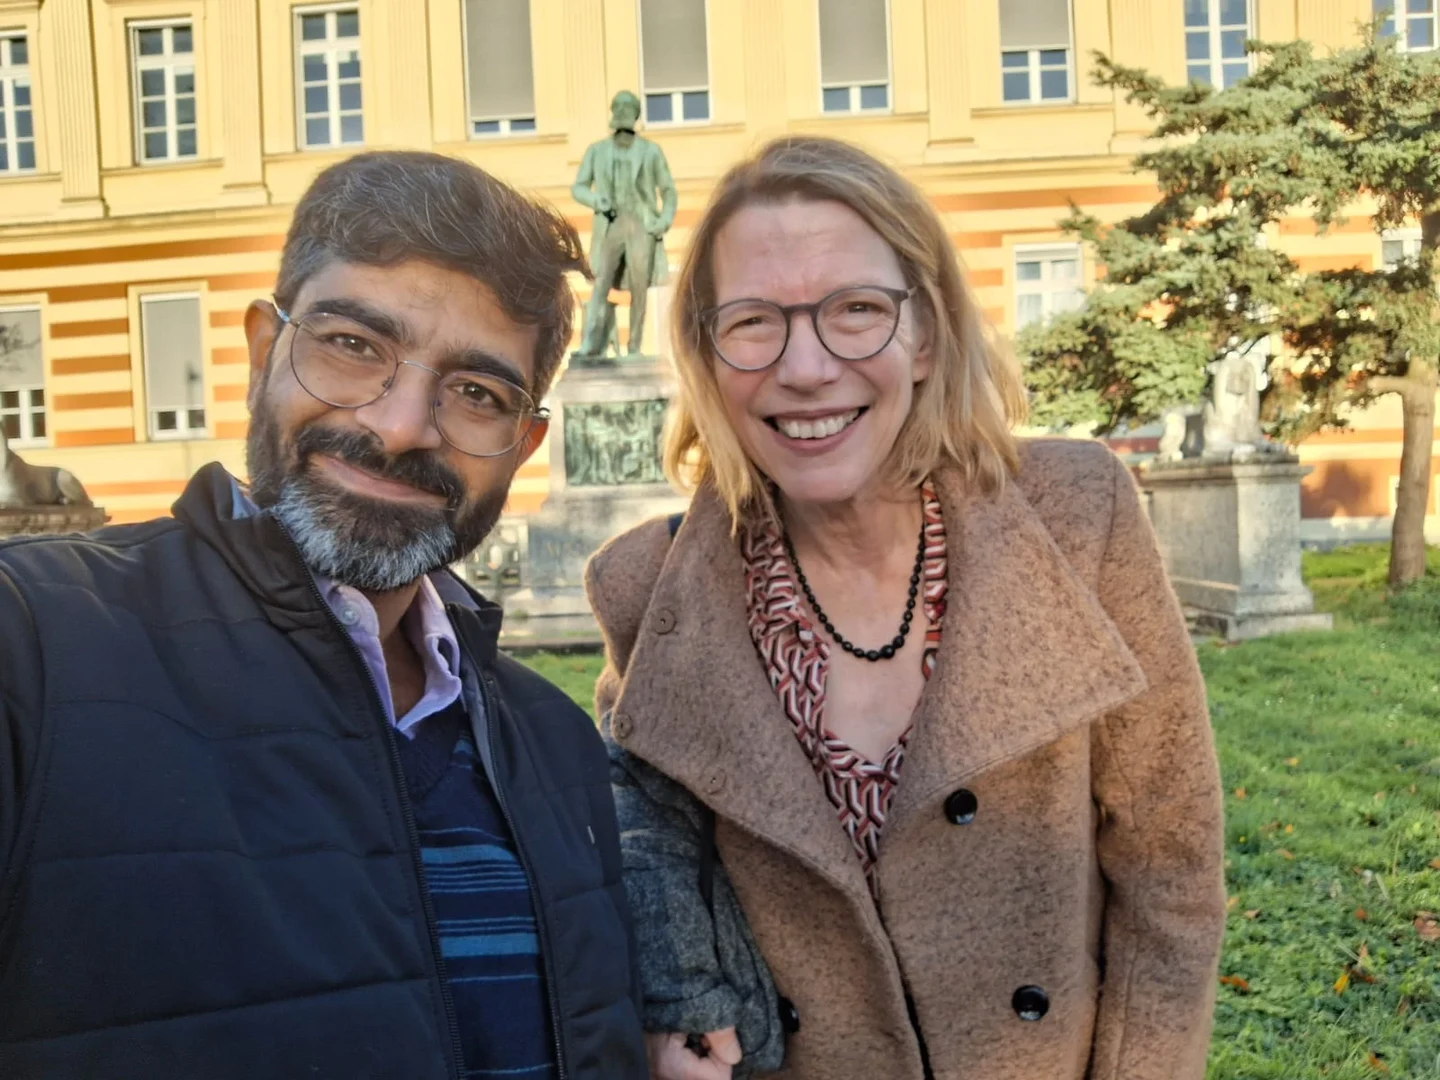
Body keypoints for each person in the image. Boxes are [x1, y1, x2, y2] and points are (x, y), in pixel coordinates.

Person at [586, 136, 1226, 1080]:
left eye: (855, 310)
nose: (804, 367)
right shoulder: (654, 591)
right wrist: (673, 1008)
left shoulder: (1075, 516)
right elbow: (646, 851)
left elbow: (1169, 869)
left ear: (924, 334)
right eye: (754, 322)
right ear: (709, 356)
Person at [0, 152, 647, 1080]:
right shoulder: (33, 646)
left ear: (525, 442)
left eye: (477, 393)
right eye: (353, 345)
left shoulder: (553, 744)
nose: (399, 425)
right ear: (266, 349)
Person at [570, 89, 678, 360]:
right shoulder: (597, 151)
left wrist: (663, 221)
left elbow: (668, 190)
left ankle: (634, 348)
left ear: (635, 115)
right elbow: (578, 188)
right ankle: (591, 342)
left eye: (628, 109)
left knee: (639, 289)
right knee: (601, 282)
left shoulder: (651, 151)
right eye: (618, 108)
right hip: (611, 225)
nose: (622, 113)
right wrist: (597, 200)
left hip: (641, 226)